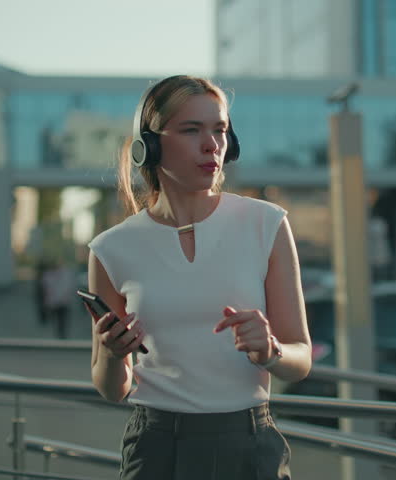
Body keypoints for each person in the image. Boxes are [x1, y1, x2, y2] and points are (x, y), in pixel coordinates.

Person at [86, 75, 312, 479]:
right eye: (192, 130)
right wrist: (112, 353)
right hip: (155, 448)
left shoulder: (267, 224)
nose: (213, 145)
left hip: (248, 444)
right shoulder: (110, 249)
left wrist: (271, 350)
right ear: (149, 146)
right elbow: (111, 387)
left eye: (220, 130)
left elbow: (301, 359)